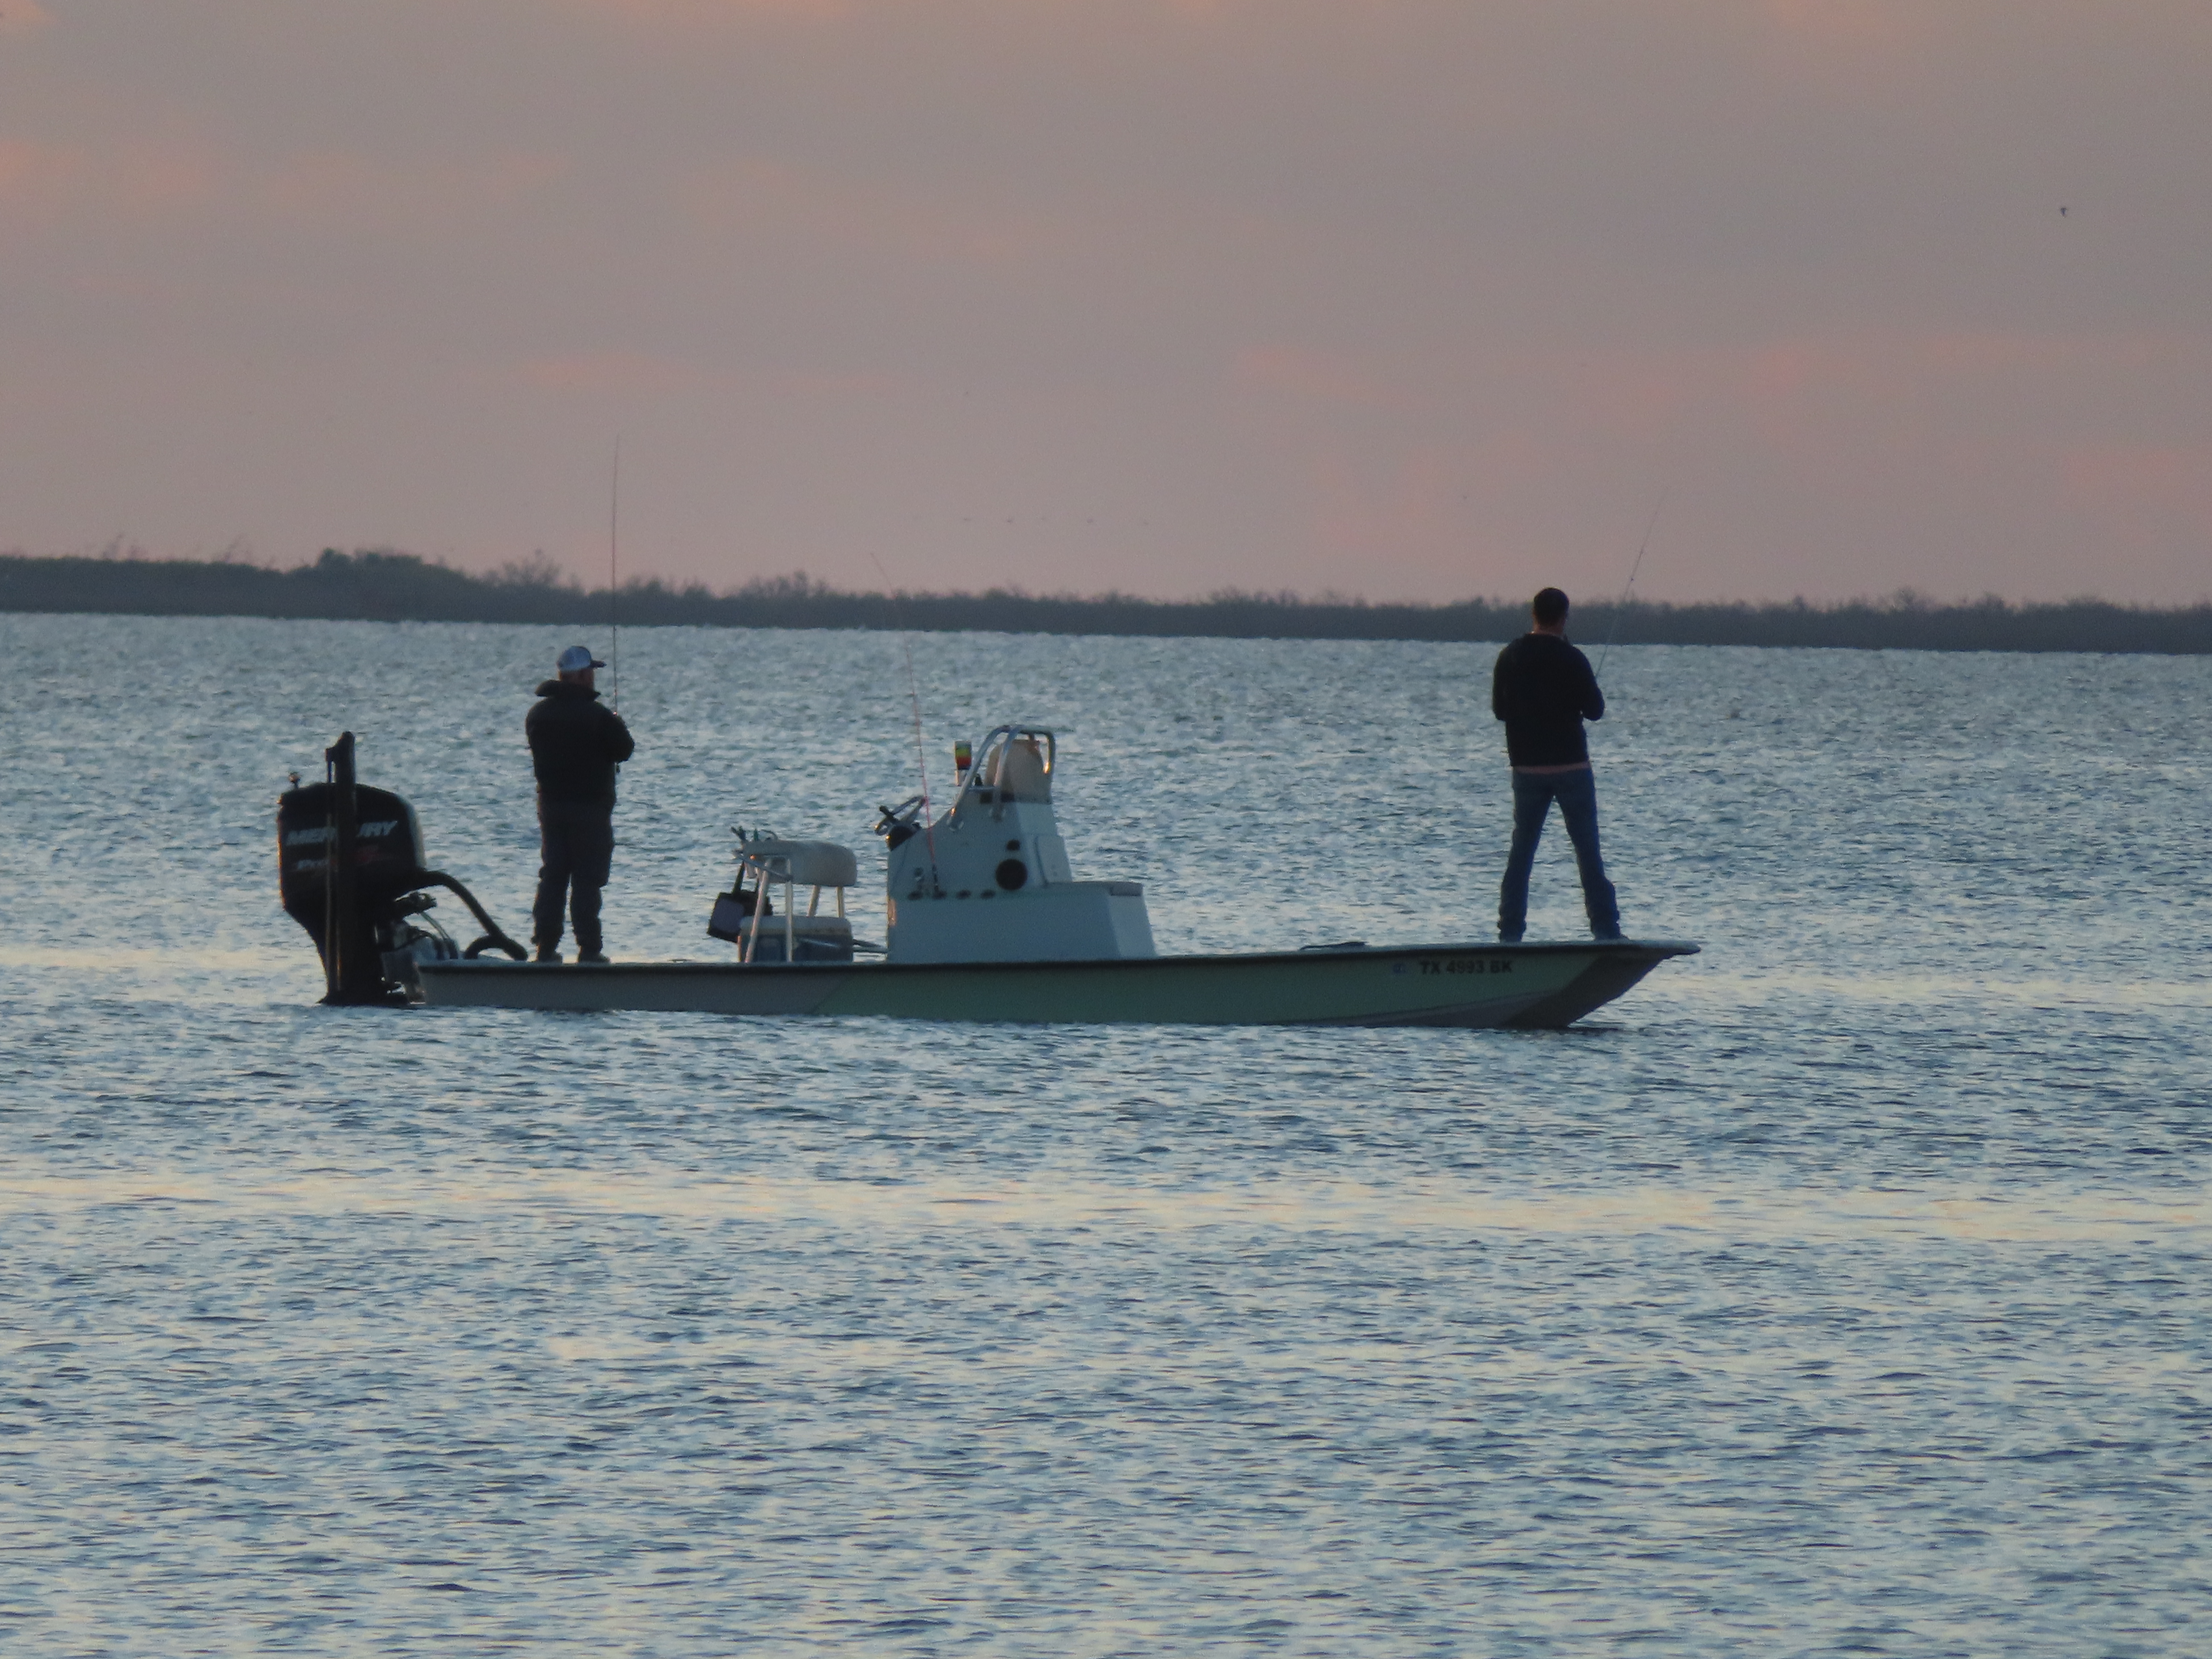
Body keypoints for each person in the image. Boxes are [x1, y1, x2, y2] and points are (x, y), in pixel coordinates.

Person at [1491, 587, 1623, 943]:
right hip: (1571, 769)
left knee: (1522, 853)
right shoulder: (1573, 659)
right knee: (1587, 851)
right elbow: (1595, 711)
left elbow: (1500, 711)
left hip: (1527, 771)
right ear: (1564, 617)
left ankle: (1510, 932)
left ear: (1533, 615)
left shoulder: (1510, 657)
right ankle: (1606, 930)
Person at [526, 644, 635, 963]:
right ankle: (589, 948)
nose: (593, 680)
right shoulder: (598, 717)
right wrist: (619, 724)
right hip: (590, 810)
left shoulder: (537, 715)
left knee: (554, 875)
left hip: (551, 807)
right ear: (583, 676)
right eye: (591, 673)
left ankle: (545, 946)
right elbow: (624, 749)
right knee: (588, 878)